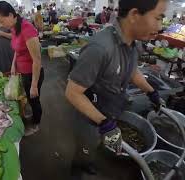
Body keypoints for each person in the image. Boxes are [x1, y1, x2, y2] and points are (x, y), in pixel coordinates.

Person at [65, 0, 167, 176]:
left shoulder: (134, 43)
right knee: (85, 145)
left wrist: (151, 92)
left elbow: (132, 71)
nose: (160, 26)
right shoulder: (100, 48)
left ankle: (87, 160)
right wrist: (104, 123)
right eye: (158, 18)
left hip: (108, 110)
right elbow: (72, 93)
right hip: (89, 116)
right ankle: (77, 167)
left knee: (94, 144)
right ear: (134, 15)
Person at [0, 1, 44, 136]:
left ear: (10, 15)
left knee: (34, 99)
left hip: (33, 73)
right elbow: (18, 47)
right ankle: (31, 115)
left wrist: (34, 85)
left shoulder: (27, 28)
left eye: (0, 21)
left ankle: (36, 124)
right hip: (23, 71)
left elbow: (37, 60)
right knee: (28, 96)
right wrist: (13, 63)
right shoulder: (15, 27)